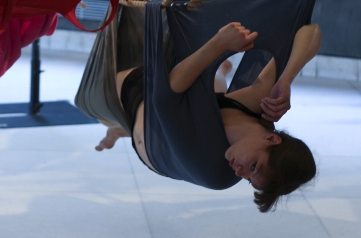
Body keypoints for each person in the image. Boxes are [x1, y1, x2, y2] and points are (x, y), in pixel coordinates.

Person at [96, 21, 321, 213]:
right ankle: (221, 73)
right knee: (210, 94)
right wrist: (286, 78)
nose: (239, 172)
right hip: (184, 112)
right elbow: (312, 31)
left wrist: (219, 43)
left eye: (249, 179)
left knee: (97, 106)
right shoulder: (261, 107)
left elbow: (165, 96)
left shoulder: (213, 169)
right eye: (252, 166)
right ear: (271, 139)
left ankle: (118, 128)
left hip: (154, 141)